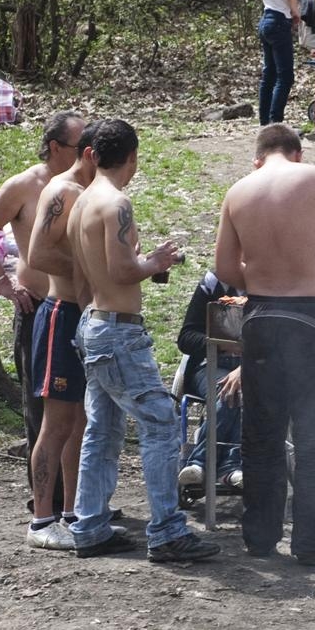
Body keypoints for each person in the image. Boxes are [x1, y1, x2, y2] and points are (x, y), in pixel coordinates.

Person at [215, 124, 315, 562]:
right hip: (310, 319)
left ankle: (260, 540)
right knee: (313, 436)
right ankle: (312, 545)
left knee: (261, 435)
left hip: (261, 317)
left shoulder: (238, 191)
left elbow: (225, 266)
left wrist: (263, 279)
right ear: (297, 154)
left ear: (258, 159)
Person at [67, 119, 219, 562]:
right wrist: (153, 262)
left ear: (94, 153)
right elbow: (120, 271)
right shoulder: (116, 203)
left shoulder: (81, 202)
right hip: (117, 330)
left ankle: (90, 525)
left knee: (103, 429)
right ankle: (168, 532)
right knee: (161, 423)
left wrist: (144, 263)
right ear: (131, 157)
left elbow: (90, 272)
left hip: (94, 321)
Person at [0, 110, 85, 514]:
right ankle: (45, 503)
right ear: (55, 147)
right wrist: (4, 282)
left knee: (81, 410)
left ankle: (76, 499)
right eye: (79, 145)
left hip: (78, 310)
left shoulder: (84, 184)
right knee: (43, 410)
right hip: (37, 310)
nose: (90, 152)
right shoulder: (25, 185)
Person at [23, 119, 102, 550]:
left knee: (80, 422)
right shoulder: (61, 190)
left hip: (86, 315)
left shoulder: (89, 193)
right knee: (56, 425)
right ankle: (40, 521)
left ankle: (71, 512)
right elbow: (37, 254)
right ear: (88, 154)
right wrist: (91, 268)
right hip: (60, 316)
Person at [176, 270, 244, 490]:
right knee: (230, 389)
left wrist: (246, 367)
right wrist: (222, 344)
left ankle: (200, 462)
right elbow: (186, 337)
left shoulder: (271, 284)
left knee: (240, 389)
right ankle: (229, 467)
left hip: (253, 367)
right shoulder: (214, 284)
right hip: (210, 364)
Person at [257, 0, 302, 126]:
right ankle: (276, 122)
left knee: (269, 75)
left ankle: (264, 123)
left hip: (266, 19)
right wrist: (296, 13)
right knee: (285, 76)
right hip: (278, 21)